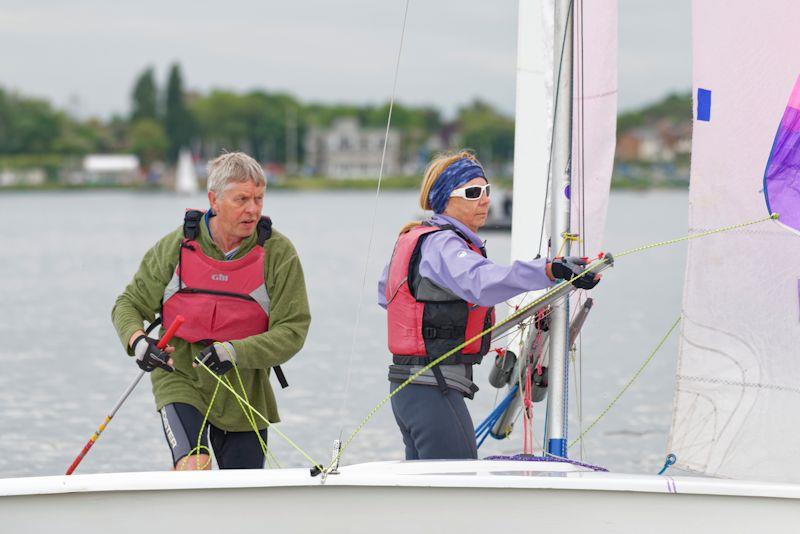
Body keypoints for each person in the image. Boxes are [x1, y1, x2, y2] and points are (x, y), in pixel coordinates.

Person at [378, 150, 599, 461]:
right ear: (445, 199)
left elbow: (385, 295)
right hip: (432, 387)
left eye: (486, 191)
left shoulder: (416, 239)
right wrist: (551, 270)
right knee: (455, 483)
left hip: (410, 387)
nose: (484, 200)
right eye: (472, 193)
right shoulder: (444, 245)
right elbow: (482, 282)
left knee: (429, 489)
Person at [112, 151, 310, 470]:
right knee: (194, 467)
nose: (253, 209)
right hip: (180, 376)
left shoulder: (278, 252)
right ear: (214, 200)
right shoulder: (176, 246)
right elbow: (129, 304)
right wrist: (139, 343)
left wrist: (233, 351)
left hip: (244, 390)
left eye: (259, 198)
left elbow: (293, 331)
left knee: (240, 495)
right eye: (242, 199)